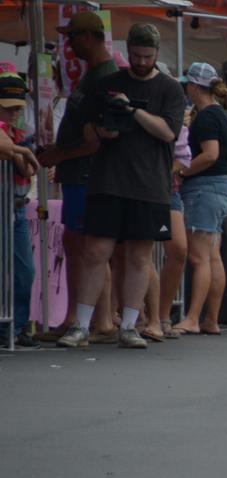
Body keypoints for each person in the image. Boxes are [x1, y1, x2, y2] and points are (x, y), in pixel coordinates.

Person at [57, 23, 184, 350]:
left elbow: (168, 132)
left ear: (156, 54)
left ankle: (129, 325)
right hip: (107, 181)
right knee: (95, 251)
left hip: (150, 185)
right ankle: (81, 326)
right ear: (128, 52)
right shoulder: (109, 84)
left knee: (140, 256)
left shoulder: (170, 89)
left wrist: (132, 109)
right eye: (135, 55)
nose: (140, 61)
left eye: (147, 56)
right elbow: (88, 129)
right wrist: (101, 131)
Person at [35, 10, 118, 342]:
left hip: (86, 173)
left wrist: (60, 153)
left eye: (71, 38)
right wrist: (60, 148)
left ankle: (100, 321)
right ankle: (80, 319)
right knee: (78, 244)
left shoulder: (104, 78)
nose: (68, 45)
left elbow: (96, 140)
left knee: (89, 247)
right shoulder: (92, 75)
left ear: (86, 37)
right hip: (75, 171)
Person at [173, 63, 227, 336]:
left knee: (199, 257)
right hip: (222, 185)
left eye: (188, 83)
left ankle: (193, 318)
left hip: (205, 188)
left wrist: (183, 170)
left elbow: (210, 154)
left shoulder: (206, 117)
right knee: (212, 255)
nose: (185, 88)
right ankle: (211, 319)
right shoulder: (220, 115)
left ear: (195, 86)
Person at [0, 72, 41, 348]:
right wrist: (22, 152)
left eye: (18, 107)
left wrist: (21, 153)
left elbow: (28, 169)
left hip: (16, 206)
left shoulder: (18, 133)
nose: (15, 112)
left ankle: (17, 326)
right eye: (8, 107)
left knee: (25, 271)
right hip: (3, 204)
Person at [157, 110, 191, 338]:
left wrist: (161, 173)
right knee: (135, 252)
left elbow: (184, 159)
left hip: (167, 190)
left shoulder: (176, 122)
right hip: (138, 186)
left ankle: (162, 314)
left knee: (179, 249)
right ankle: (139, 315)